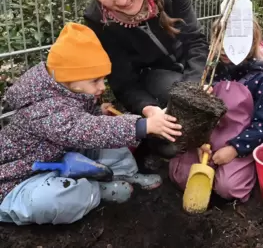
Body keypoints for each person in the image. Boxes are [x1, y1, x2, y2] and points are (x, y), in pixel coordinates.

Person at [0, 23, 182, 225]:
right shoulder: (42, 105)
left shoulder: (68, 88)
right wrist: (142, 126)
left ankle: (126, 174)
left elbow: (76, 119)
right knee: (50, 201)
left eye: (103, 79)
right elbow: (83, 129)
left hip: (60, 155)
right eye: (96, 81)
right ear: (68, 77)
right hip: (22, 178)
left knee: (114, 145)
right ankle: (96, 190)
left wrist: (96, 112)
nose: (102, 87)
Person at [73, 0, 208, 158]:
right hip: (152, 80)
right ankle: (154, 141)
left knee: (218, 103)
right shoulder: (97, 20)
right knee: (173, 142)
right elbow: (124, 83)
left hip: (188, 70)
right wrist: (150, 111)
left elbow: (195, 40)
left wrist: (195, 86)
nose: (121, 0)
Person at [169, 19, 263, 202]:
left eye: (232, 42)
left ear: (250, 43)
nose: (224, 48)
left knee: (228, 188)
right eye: (220, 40)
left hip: (239, 144)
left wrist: (235, 149)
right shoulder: (207, 73)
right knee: (180, 176)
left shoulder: (259, 80)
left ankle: (234, 176)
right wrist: (198, 141)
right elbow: (193, 114)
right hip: (204, 143)